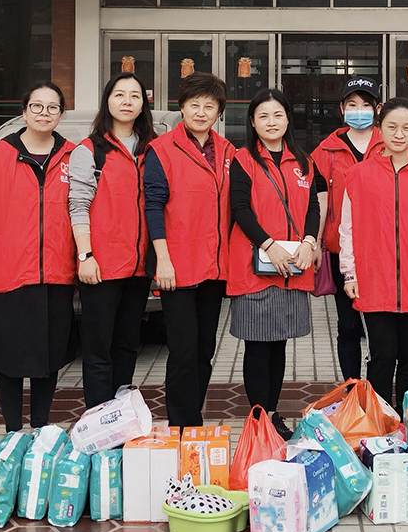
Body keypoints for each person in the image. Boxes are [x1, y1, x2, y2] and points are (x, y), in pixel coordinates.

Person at [0, 82, 77, 432]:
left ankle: (41, 429)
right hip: (9, 270)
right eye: (37, 106)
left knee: (48, 358)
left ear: (60, 114)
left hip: (56, 271)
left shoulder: (73, 155)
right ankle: (13, 431)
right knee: (9, 358)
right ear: (24, 111)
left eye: (52, 107)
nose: (44, 113)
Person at [228, 87, 326, 439]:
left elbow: (313, 207)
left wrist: (310, 242)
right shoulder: (243, 159)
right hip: (256, 267)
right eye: (263, 116)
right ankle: (259, 419)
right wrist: (268, 245)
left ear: (287, 119)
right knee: (258, 345)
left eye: (278, 115)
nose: (271, 122)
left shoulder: (304, 161)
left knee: (279, 343)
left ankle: (271, 412)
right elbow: (240, 208)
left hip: (293, 267)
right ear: (253, 122)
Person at [339, 97, 408, 407]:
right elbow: (347, 228)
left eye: (407, 128)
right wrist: (350, 273)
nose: (399, 134)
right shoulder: (359, 175)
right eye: (392, 127)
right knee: (382, 357)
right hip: (375, 280)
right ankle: (381, 423)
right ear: (380, 128)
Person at [145, 72, 235, 428]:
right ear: (181, 107)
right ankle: (181, 424)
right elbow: (153, 205)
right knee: (182, 349)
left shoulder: (227, 151)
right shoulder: (162, 149)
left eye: (209, 106)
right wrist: (163, 260)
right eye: (194, 105)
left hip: (214, 265)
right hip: (177, 265)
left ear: (219, 112)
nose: (201, 112)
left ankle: (193, 417)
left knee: (204, 349)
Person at [70, 72, 154, 409]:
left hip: (138, 268)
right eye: (119, 95)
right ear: (107, 101)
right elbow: (78, 205)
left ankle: (120, 414)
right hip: (100, 267)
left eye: (135, 96)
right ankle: (97, 416)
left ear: (143, 105)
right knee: (98, 349)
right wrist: (85, 255)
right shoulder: (90, 150)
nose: (127, 102)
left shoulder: (152, 150)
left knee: (127, 345)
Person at [312, 76, 382, 381]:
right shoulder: (325, 151)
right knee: (348, 325)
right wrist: (316, 242)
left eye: (366, 104)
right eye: (352, 104)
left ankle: (377, 391)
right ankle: (352, 388)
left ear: (378, 108)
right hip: (341, 250)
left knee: (379, 327)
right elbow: (319, 201)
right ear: (341, 108)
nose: (359, 110)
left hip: (382, 250)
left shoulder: (389, 144)